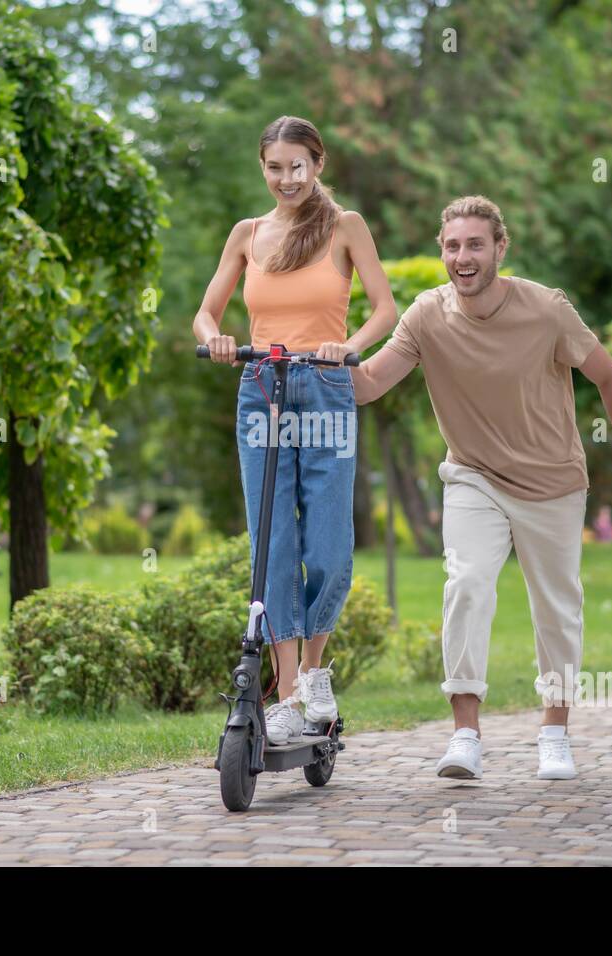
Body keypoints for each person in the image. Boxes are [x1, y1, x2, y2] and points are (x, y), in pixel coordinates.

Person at [352, 195, 612, 781]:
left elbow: (611, 379)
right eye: (451, 246)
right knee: (465, 581)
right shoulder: (426, 314)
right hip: (474, 476)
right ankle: (465, 733)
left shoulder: (546, 310)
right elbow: (369, 384)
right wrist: (327, 360)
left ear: (499, 249)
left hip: (552, 482)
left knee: (557, 606)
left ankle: (554, 732)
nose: (461, 257)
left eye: (473, 245)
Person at [191, 116, 397, 745]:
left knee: (329, 551)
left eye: (297, 166)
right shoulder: (248, 234)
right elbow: (204, 313)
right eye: (274, 167)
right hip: (260, 391)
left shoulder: (346, 227)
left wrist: (349, 345)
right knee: (272, 545)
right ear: (263, 167)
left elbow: (385, 309)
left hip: (326, 388)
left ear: (318, 163)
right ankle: (283, 696)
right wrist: (218, 341)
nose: (286, 178)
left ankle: (312, 677)